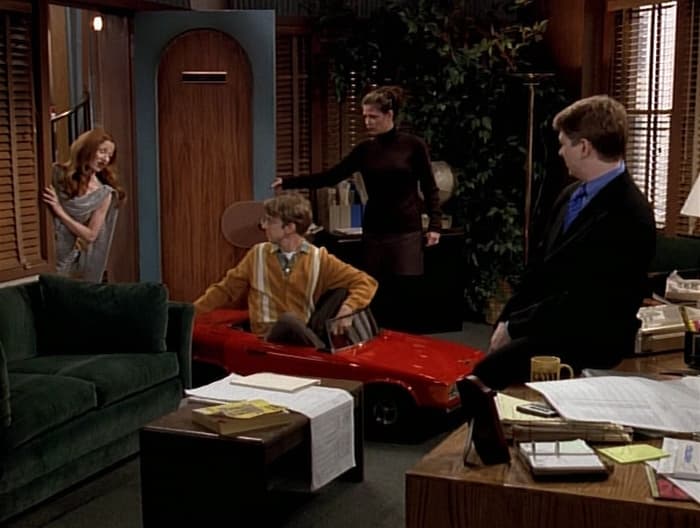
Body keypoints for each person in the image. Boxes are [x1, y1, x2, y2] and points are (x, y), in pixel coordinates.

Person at [470, 94, 656, 390]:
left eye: (563, 144)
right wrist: (505, 321)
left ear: (584, 147)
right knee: (482, 371)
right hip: (548, 322)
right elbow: (537, 269)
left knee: (485, 376)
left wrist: (517, 326)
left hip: (590, 333)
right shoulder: (569, 195)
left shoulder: (631, 213)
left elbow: (588, 298)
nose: (559, 152)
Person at [272, 85, 442, 330]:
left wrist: (435, 225)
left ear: (390, 115)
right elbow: (331, 176)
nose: (367, 122)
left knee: (404, 294)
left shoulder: (413, 146)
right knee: (373, 290)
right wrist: (289, 182)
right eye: (364, 116)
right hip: (375, 229)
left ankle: (404, 342)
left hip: (406, 229)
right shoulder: (365, 150)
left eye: (373, 116)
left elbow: (430, 186)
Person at [194, 192, 378, 345]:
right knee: (287, 321)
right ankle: (321, 351)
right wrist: (191, 312)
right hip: (266, 338)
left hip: (298, 337)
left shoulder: (319, 258)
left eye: (270, 221)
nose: (263, 226)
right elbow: (225, 290)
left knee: (340, 294)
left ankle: (325, 353)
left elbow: (366, 282)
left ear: (289, 227)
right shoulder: (257, 254)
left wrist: (348, 309)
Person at [43, 127, 125, 282]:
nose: (106, 159)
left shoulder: (103, 194)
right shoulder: (56, 173)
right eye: (102, 152)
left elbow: (91, 235)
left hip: (64, 260)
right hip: (41, 252)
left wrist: (59, 211)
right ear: (87, 149)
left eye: (110, 156)